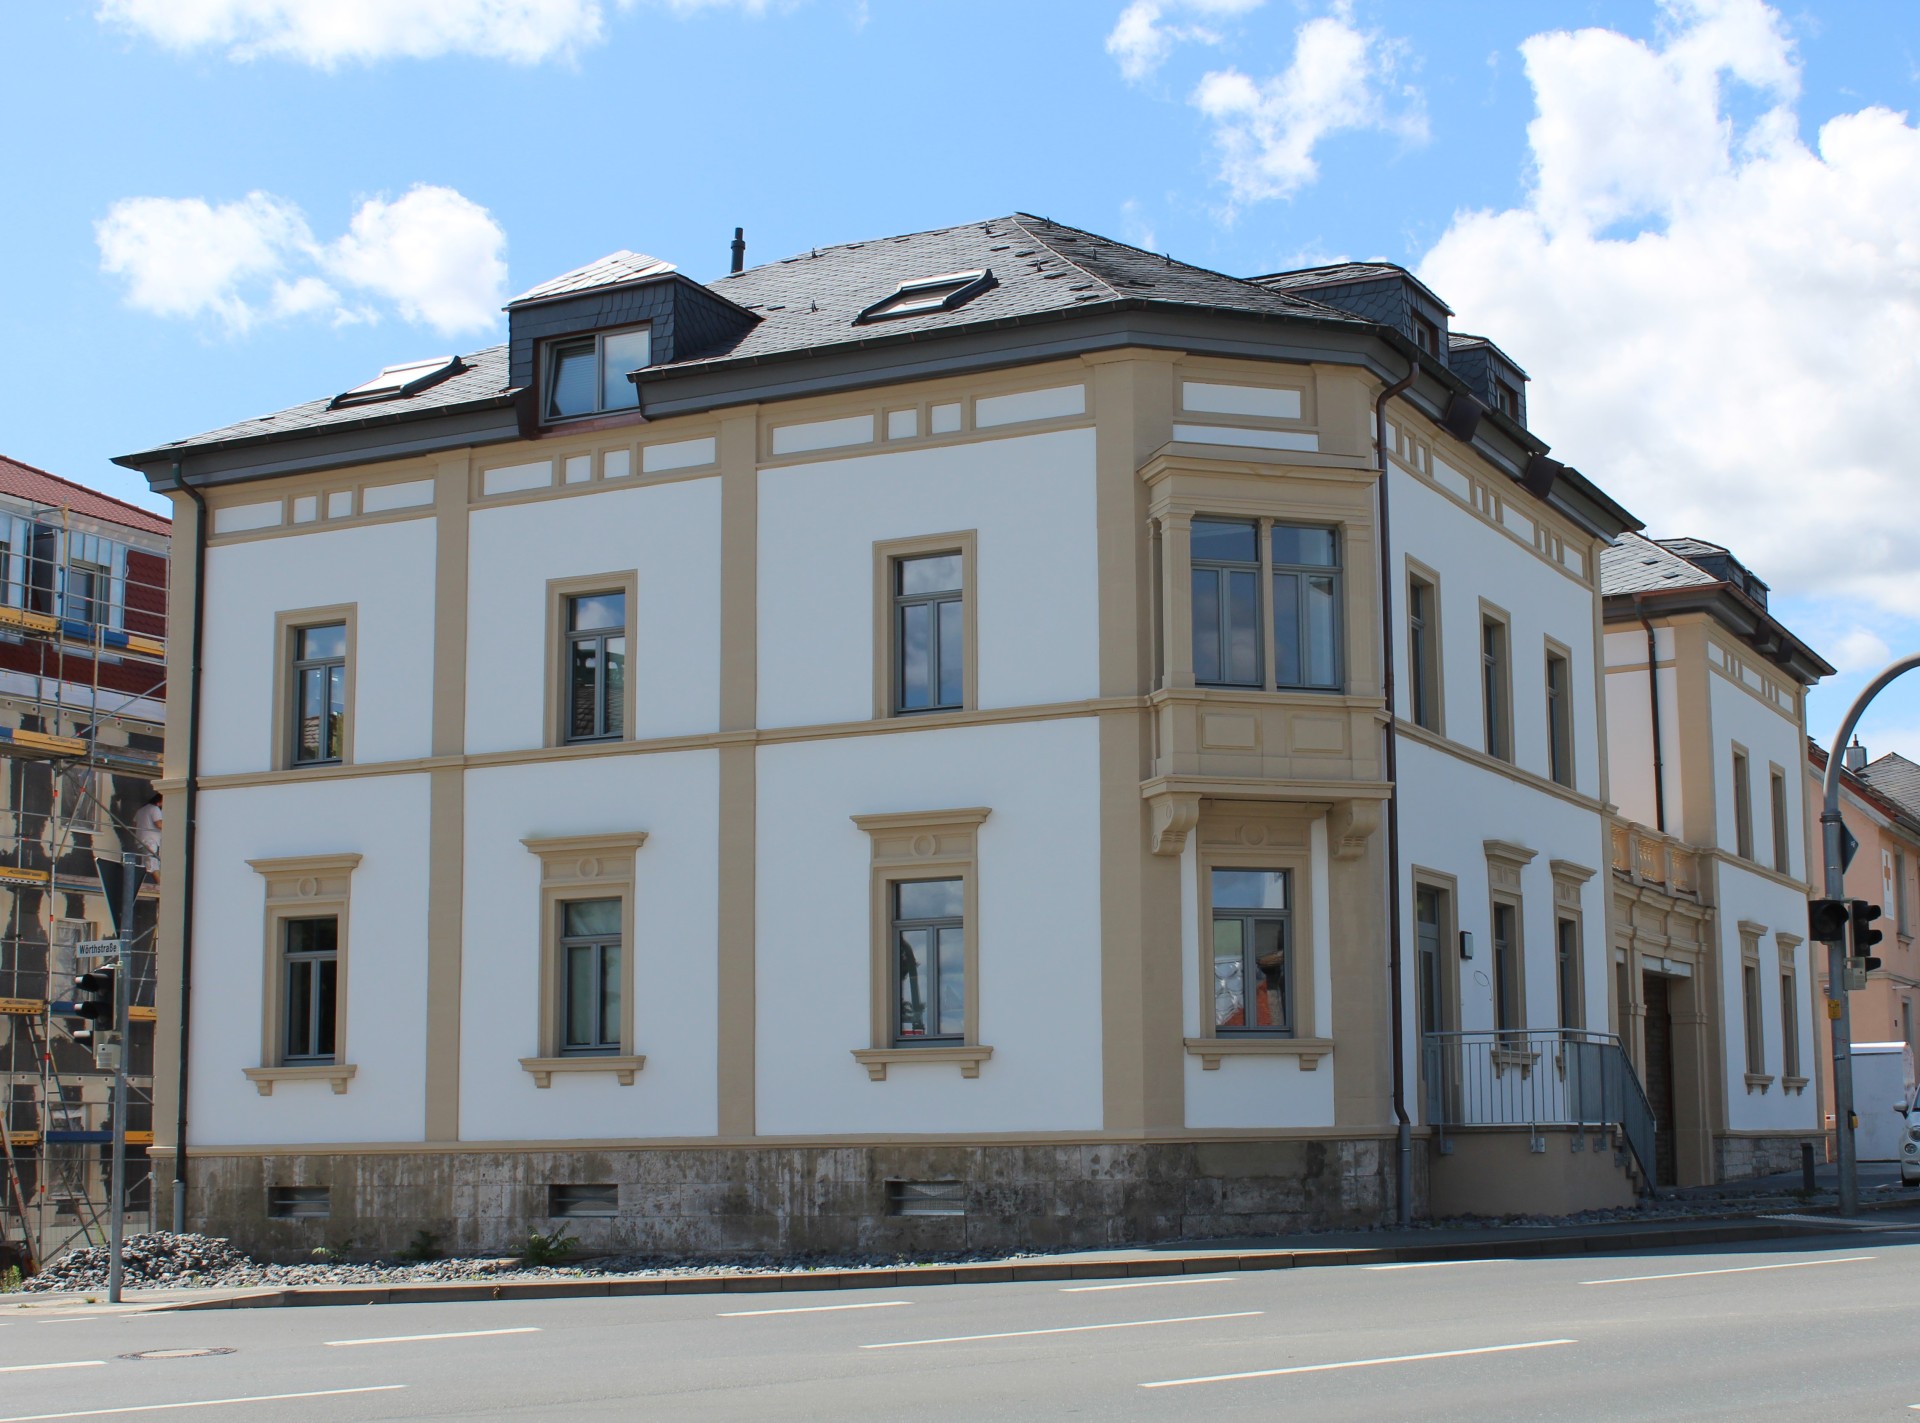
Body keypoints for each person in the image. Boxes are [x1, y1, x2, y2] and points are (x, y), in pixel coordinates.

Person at [132, 792, 162, 880]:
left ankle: (137, 882)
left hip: (141, 840)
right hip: (150, 840)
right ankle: (161, 887)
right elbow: (159, 824)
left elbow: (134, 823)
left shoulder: (141, 810)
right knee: (153, 864)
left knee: (145, 864)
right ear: (160, 801)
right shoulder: (155, 809)